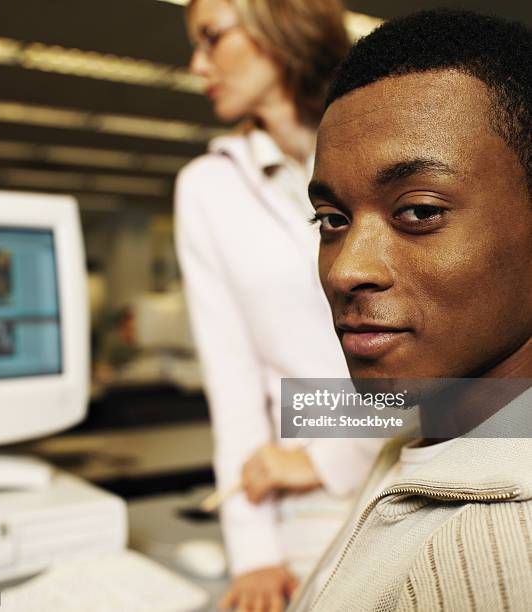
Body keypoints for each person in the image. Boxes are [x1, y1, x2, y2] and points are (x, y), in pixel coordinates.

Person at [290, 9, 532, 611]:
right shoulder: (428, 435)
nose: (347, 269)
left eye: (419, 212)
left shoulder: (488, 553)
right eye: (332, 221)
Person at [175, 0, 383, 609]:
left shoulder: (393, 143)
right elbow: (234, 380)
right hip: (304, 498)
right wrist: (254, 552)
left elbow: (460, 360)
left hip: (424, 459)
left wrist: (329, 456)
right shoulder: (207, 188)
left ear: (278, 23)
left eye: (212, 37)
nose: (196, 64)